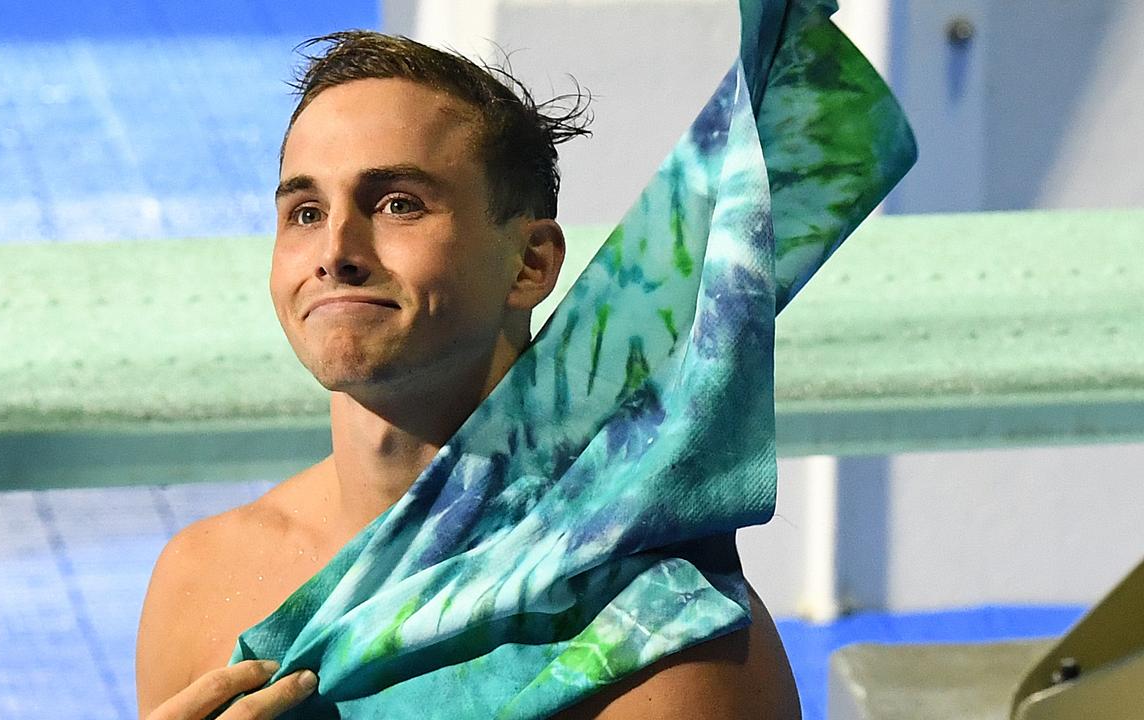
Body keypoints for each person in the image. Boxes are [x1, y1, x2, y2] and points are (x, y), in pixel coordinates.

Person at [136, 31, 801, 720]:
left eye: (398, 203)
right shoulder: (199, 581)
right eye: (305, 212)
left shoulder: (659, 640)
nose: (335, 251)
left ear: (530, 264)